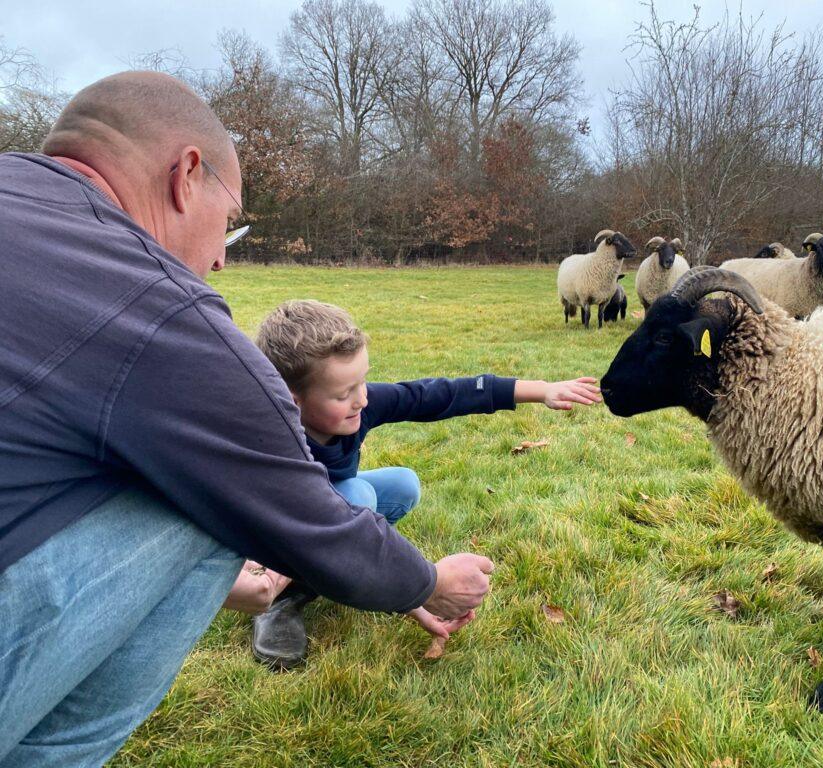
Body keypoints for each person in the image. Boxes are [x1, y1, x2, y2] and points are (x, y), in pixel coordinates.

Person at [0, 71, 491, 768]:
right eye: (229, 221)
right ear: (186, 175)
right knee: (206, 501)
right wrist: (428, 582)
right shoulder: (157, 307)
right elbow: (297, 511)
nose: (223, 256)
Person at [223, 300, 603, 668]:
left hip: (330, 503)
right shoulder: (272, 440)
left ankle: (313, 572)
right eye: (343, 394)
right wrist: (418, 596)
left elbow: (439, 394)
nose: (362, 400)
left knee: (403, 485)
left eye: (363, 383)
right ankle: (282, 600)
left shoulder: (361, 403)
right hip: (283, 527)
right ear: (293, 400)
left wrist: (543, 390)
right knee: (357, 497)